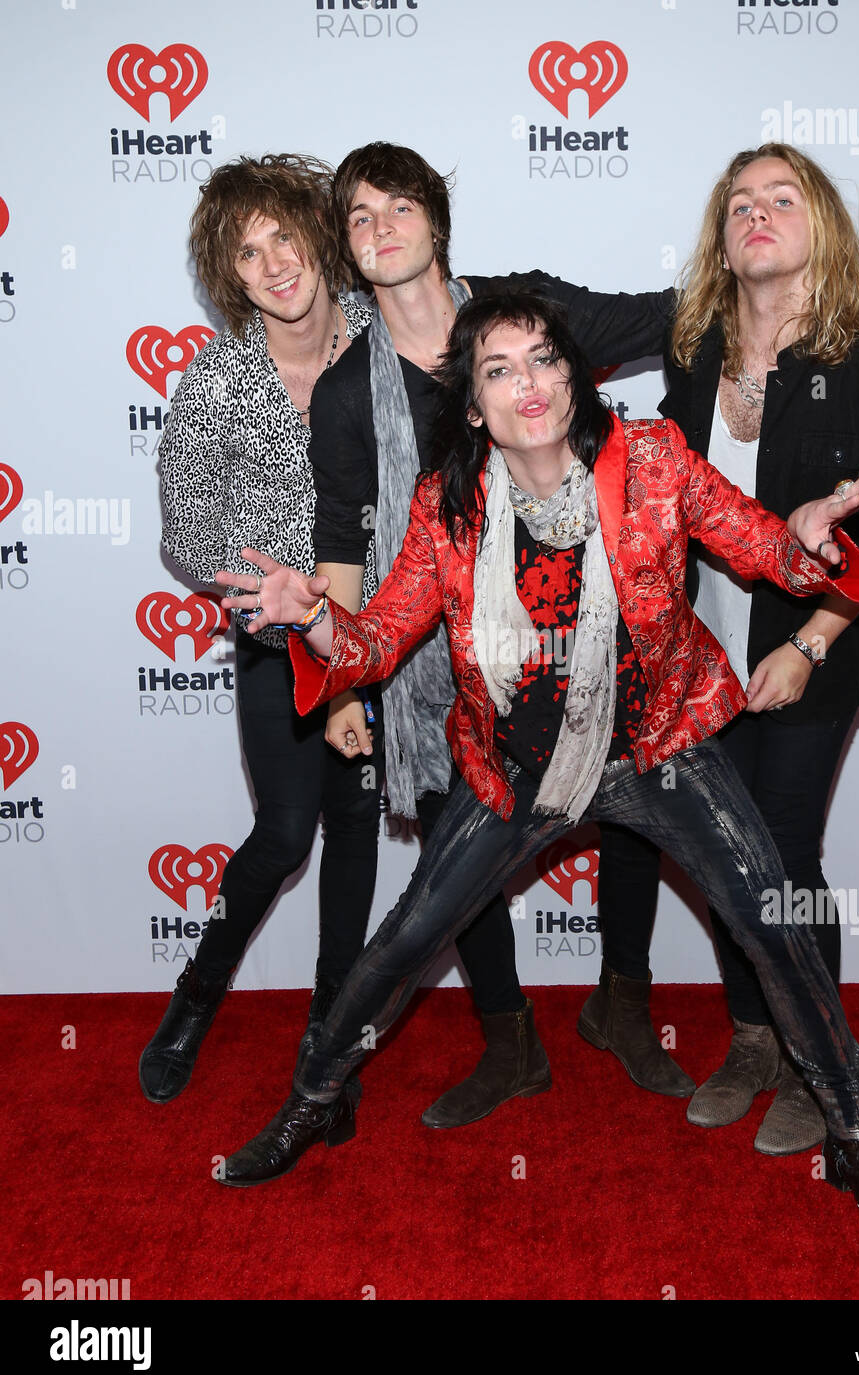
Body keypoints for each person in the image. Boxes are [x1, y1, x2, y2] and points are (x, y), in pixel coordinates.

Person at [212, 291, 859, 1254]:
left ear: (574, 376)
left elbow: (767, 546)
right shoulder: (448, 505)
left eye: (545, 360)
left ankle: (858, 1138)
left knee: (776, 919)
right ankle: (309, 1103)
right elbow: (377, 639)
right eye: (499, 371)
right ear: (473, 407)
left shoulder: (652, 461)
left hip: (660, 746)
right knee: (406, 937)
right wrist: (312, 619)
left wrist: (809, 540)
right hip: (520, 768)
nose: (529, 385)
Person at [308, 141, 691, 1127]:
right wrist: (345, 684)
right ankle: (508, 1037)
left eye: (399, 205)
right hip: (436, 652)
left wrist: (769, 299)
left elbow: (660, 319)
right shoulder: (350, 390)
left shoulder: (523, 310)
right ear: (348, 250)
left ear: (435, 220)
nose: (382, 226)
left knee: (631, 808)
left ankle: (622, 1001)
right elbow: (342, 535)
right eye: (359, 215)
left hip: (583, 618)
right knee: (449, 844)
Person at [659, 144, 859, 1155]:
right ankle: (750, 1037)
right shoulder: (692, 355)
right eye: (738, 204)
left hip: (809, 649)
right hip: (702, 656)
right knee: (723, 858)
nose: (756, 214)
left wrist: (810, 643)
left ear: (820, 226)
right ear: (722, 245)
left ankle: (814, 1057)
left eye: (781, 198)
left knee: (778, 851)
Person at [140, 154, 378, 1105]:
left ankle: (332, 1034)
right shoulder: (215, 380)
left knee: (358, 826)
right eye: (247, 252)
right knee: (284, 832)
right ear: (227, 274)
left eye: (285, 235)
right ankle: (195, 999)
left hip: (377, 642)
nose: (274, 263)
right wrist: (266, 586)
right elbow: (183, 527)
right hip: (277, 644)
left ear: (321, 238)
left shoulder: (383, 341)